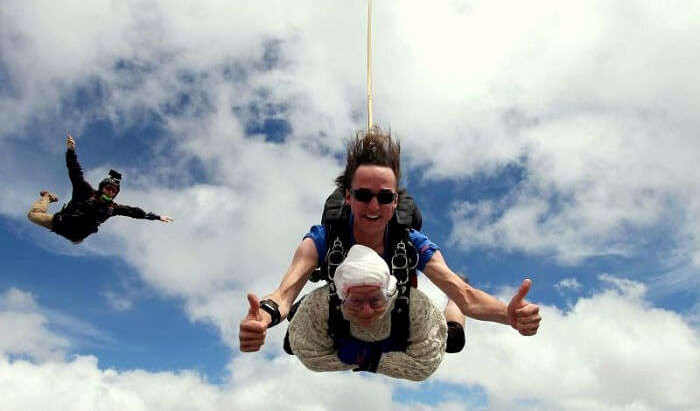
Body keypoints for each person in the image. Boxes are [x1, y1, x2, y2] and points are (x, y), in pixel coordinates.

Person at [239, 126, 540, 355]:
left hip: (392, 305)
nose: (373, 207)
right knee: (293, 341)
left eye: (384, 197)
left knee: (453, 341)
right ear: (348, 196)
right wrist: (264, 317)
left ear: (396, 201)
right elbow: (285, 292)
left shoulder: (410, 242)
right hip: (348, 304)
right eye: (363, 195)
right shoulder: (322, 239)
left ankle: (449, 317)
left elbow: (466, 295)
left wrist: (507, 315)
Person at [286, 244, 447, 381]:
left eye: (375, 300)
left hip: (399, 334)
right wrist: (352, 360)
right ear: (342, 298)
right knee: (291, 346)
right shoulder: (319, 305)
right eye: (356, 301)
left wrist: (371, 360)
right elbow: (310, 357)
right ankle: (298, 307)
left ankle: (453, 302)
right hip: (328, 327)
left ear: (388, 295)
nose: (366, 311)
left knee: (454, 340)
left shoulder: (416, 305)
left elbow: (425, 364)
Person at [27, 134, 174, 243]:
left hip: (76, 236)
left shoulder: (112, 208)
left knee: (76, 240)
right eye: (108, 189)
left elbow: (134, 212)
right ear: (102, 188)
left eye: (114, 192)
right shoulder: (85, 192)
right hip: (59, 223)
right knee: (33, 215)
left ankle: (74, 232)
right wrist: (71, 151)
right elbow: (74, 172)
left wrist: (157, 217)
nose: (110, 193)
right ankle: (48, 196)